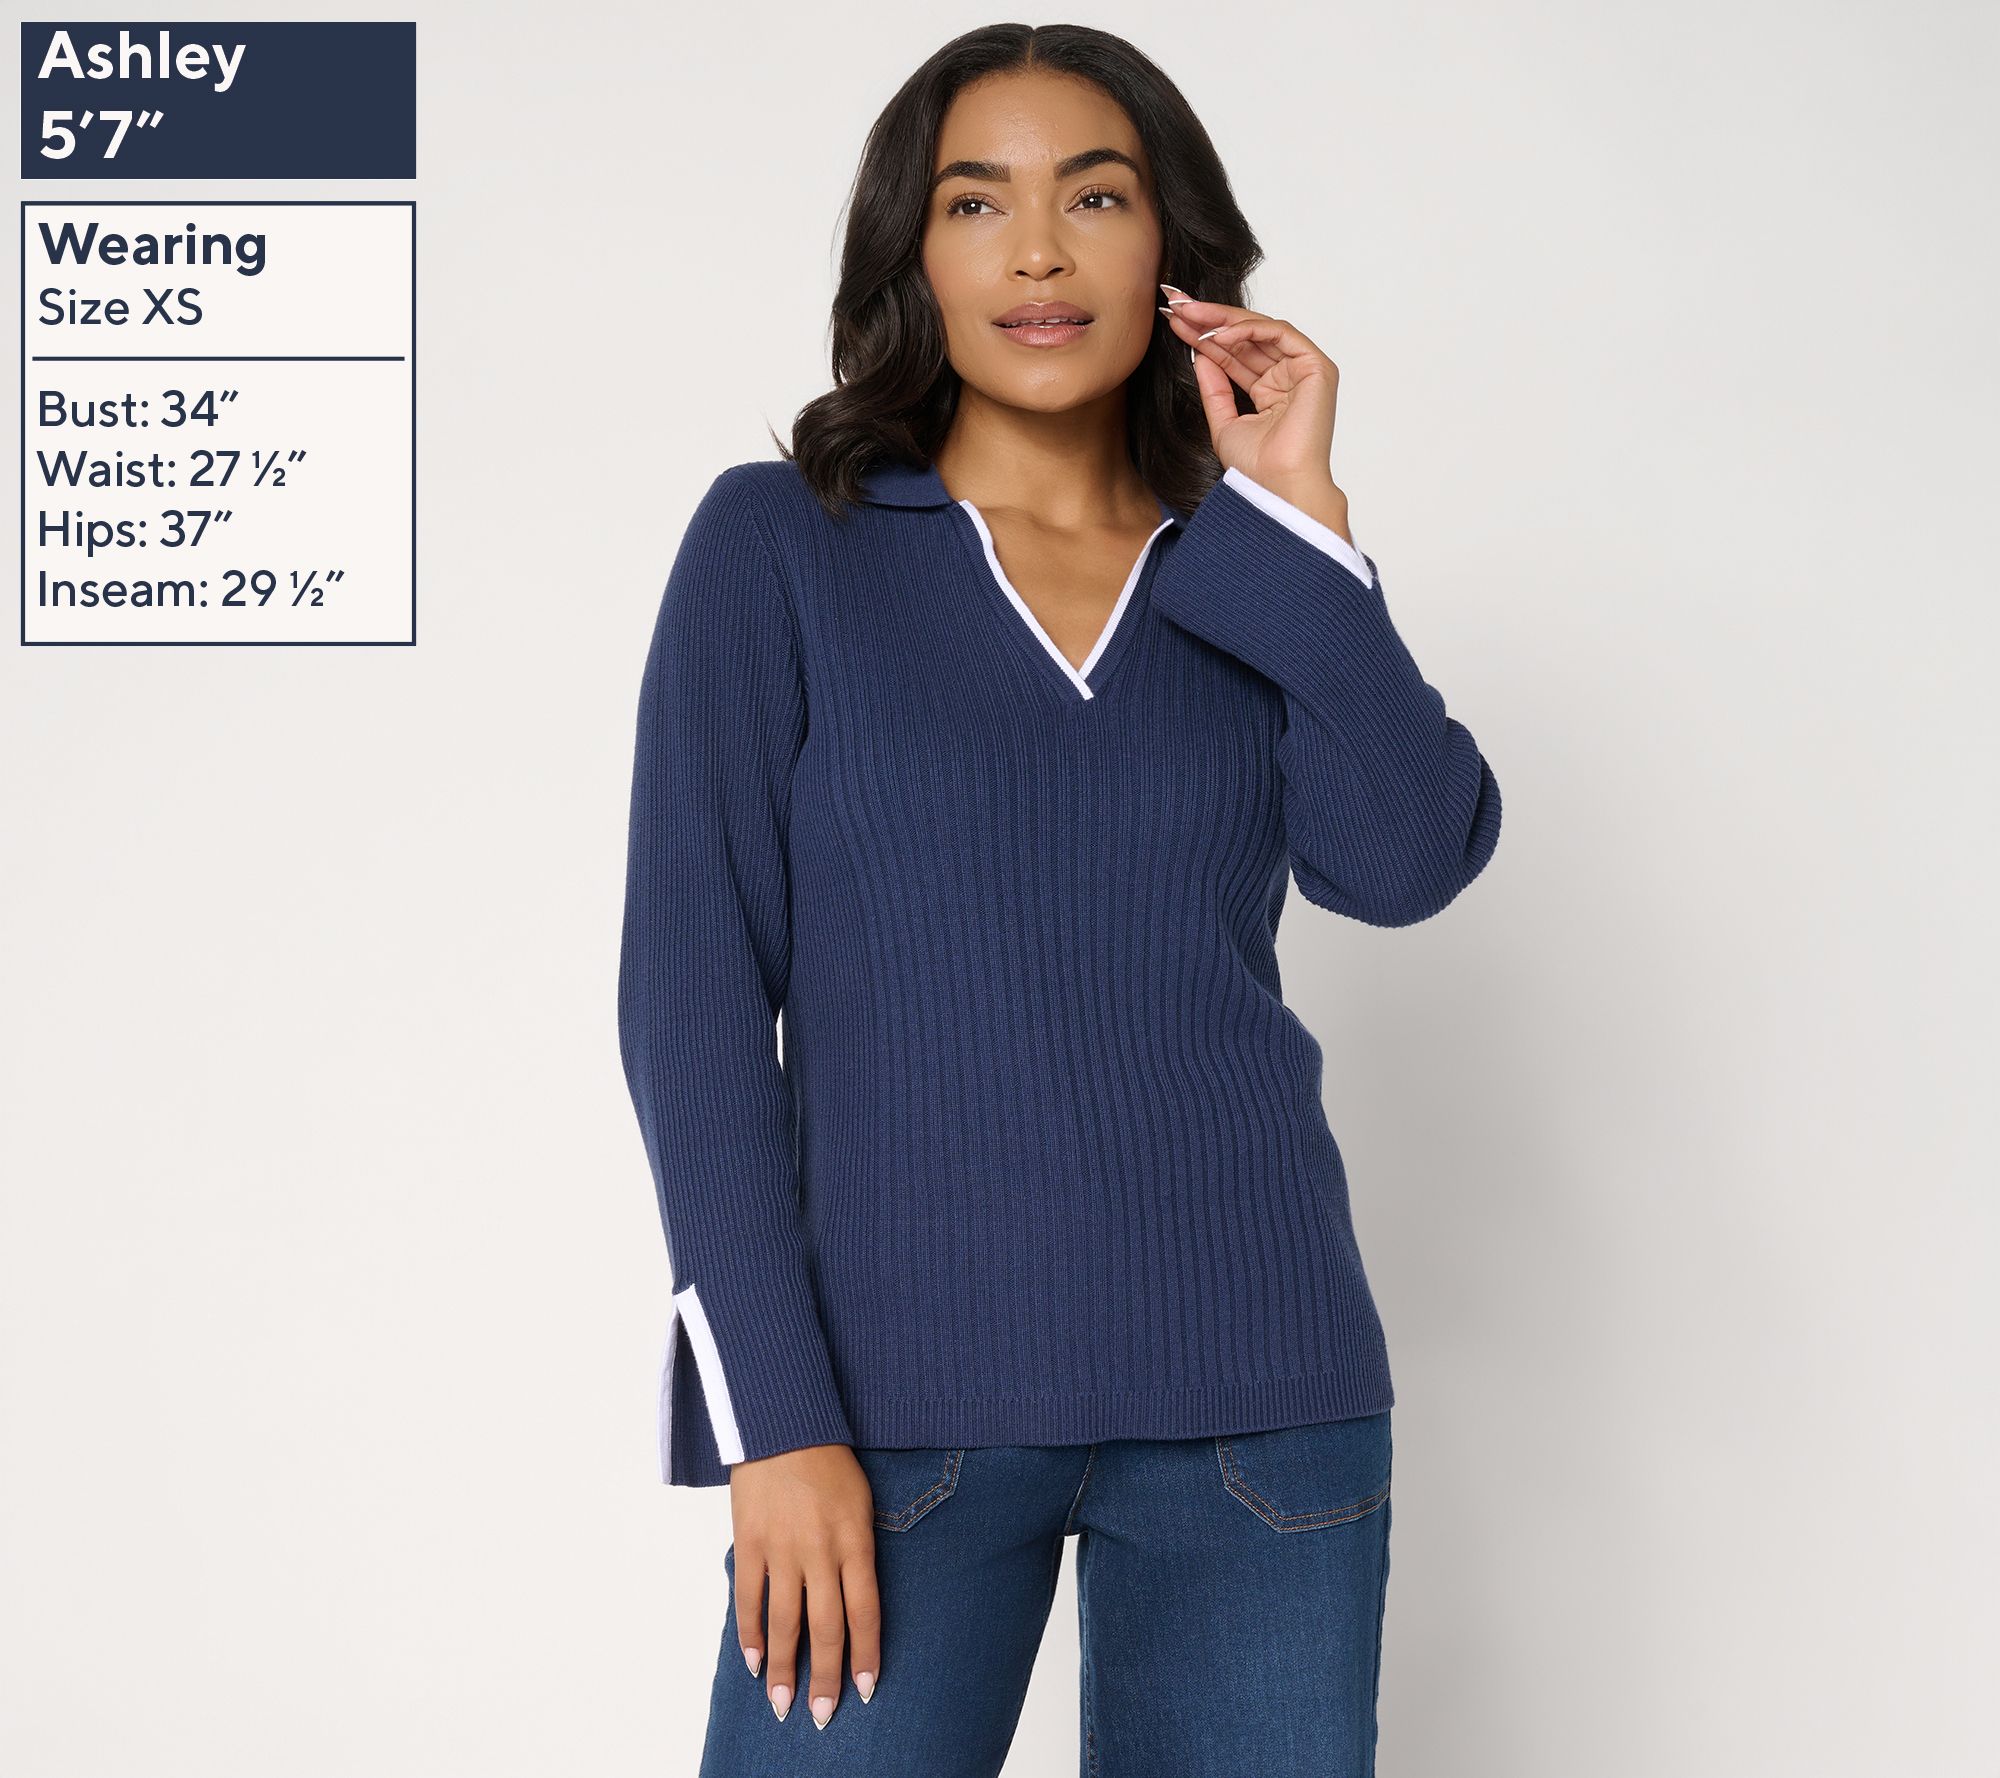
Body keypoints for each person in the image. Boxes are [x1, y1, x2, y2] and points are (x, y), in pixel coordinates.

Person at [617, 23, 1502, 1777]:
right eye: (977, 203)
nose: (1038, 252)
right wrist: (770, 1421)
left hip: (1261, 1407)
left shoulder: (1247, 571)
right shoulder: (782, 545)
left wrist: (1303, 519)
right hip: (885, 1420)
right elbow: (692, 1006)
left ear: (1171, 247)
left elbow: (1406, 860)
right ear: (913, 253)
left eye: (1094, 198)